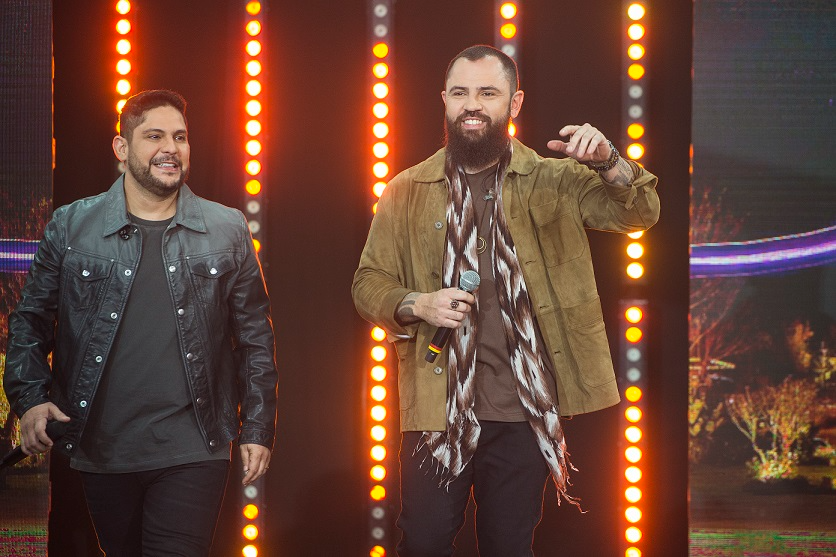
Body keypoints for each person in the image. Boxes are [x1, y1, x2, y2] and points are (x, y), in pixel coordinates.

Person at [352, 45, 660, 556]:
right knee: (424, 541)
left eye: (487, 93)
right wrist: (416, 303)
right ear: (445, 102)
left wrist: (609, 161)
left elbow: (640, 211)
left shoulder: (554, 179)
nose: (472, 105)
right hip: (438, 407)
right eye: (460, 93)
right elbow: (367, 283)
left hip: (522, 411)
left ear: (514, 104)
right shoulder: (406, 189)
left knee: (508, 546)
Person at [3, 89, 278, 556]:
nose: (171, 148)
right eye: (154, 136)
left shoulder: (227, 228)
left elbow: (255, 340)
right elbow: (29, 322)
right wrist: (29, 399)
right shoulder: (71, 226)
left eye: (180, 137)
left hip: (194, 448)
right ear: (122, 148)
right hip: (101, 446)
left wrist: (257, 427)